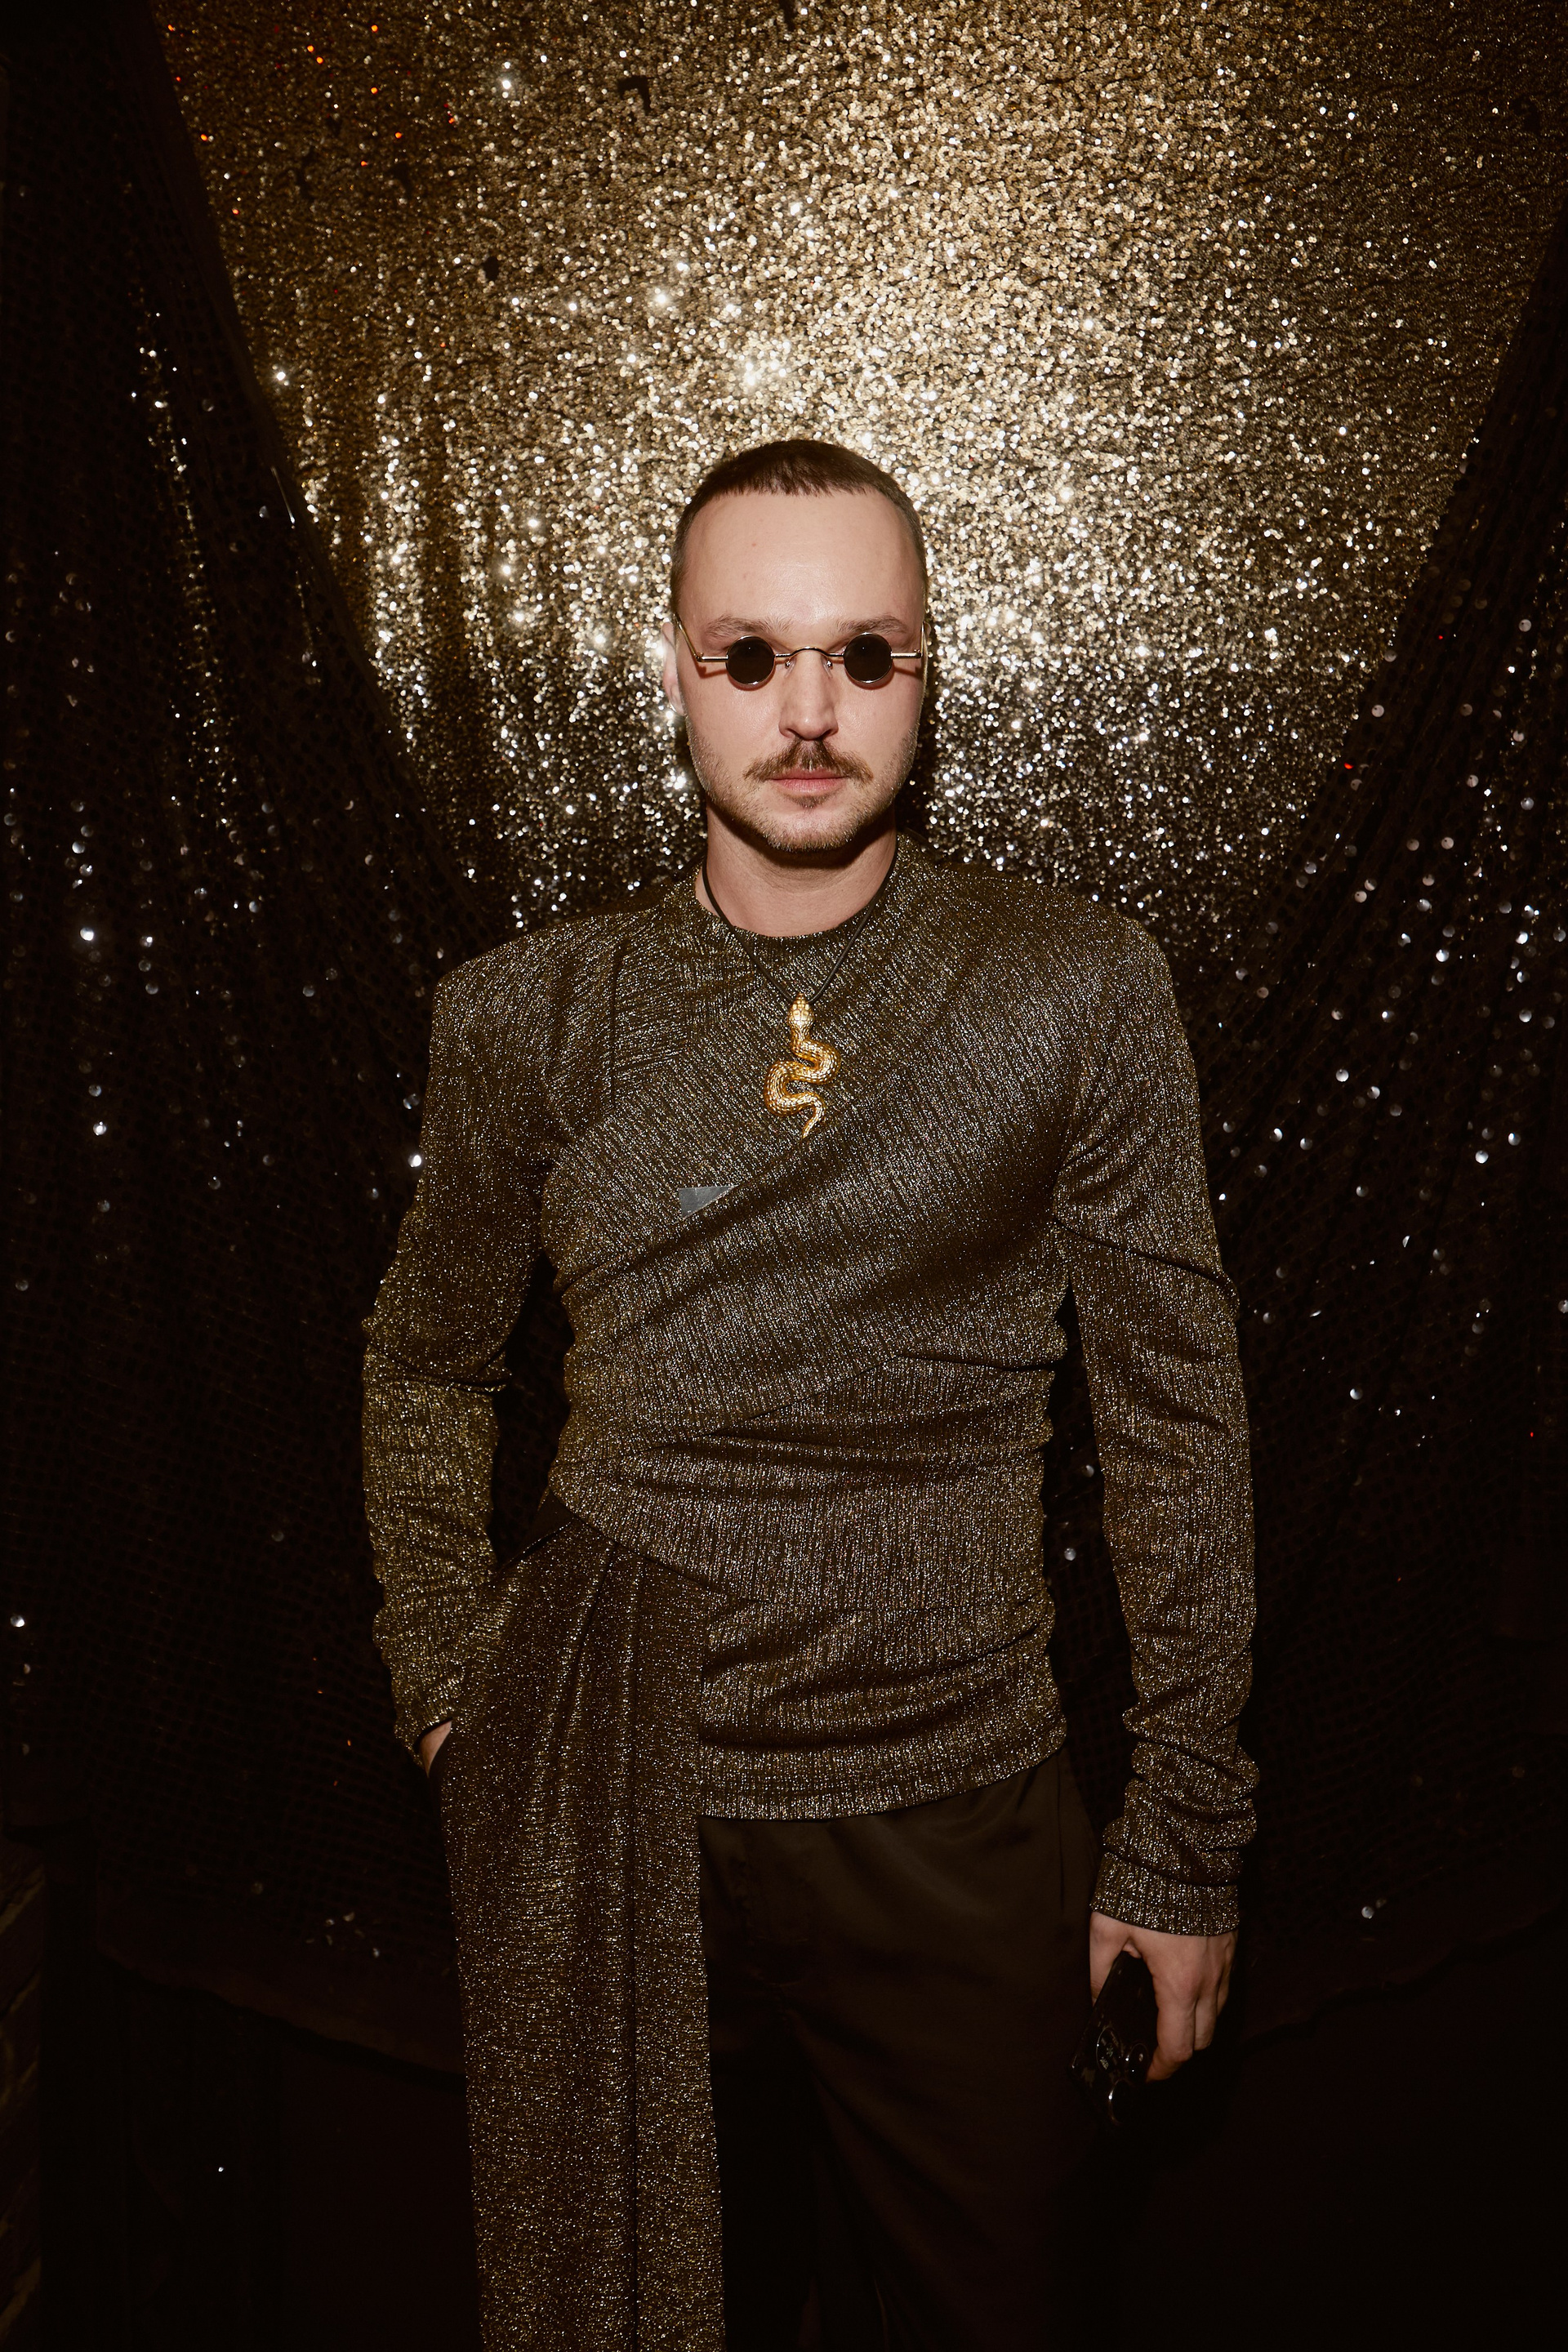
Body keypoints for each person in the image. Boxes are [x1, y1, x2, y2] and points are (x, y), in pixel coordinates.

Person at [362, 439, 1256, 2352]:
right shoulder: (525, 1013)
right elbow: (425, 1361)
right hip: (607, 1792)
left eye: (864, 655)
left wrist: (1186, 1832)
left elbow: (1177, 1421)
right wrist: (452, 1690)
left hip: (961, 1801)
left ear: (928, 675)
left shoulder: (1076, 987)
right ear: (674, 672)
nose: (808, 711)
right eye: (751, 655)